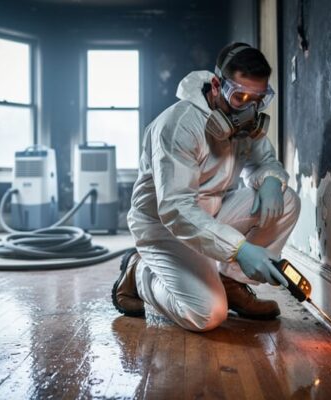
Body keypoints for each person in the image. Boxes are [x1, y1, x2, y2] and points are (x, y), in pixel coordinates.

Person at [112, 42, 301, 332]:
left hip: (211, 215)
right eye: (241, 97)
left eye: (259, 99)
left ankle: (231, 282)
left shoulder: (245, 124)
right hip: (163, 226)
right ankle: (139, 274)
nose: (250, 108)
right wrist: (239, 249)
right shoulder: (179, 126)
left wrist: (271, 180)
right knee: (207, 314)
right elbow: (176, 209)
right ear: (216, 86)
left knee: (286, 200)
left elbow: (264, 161)